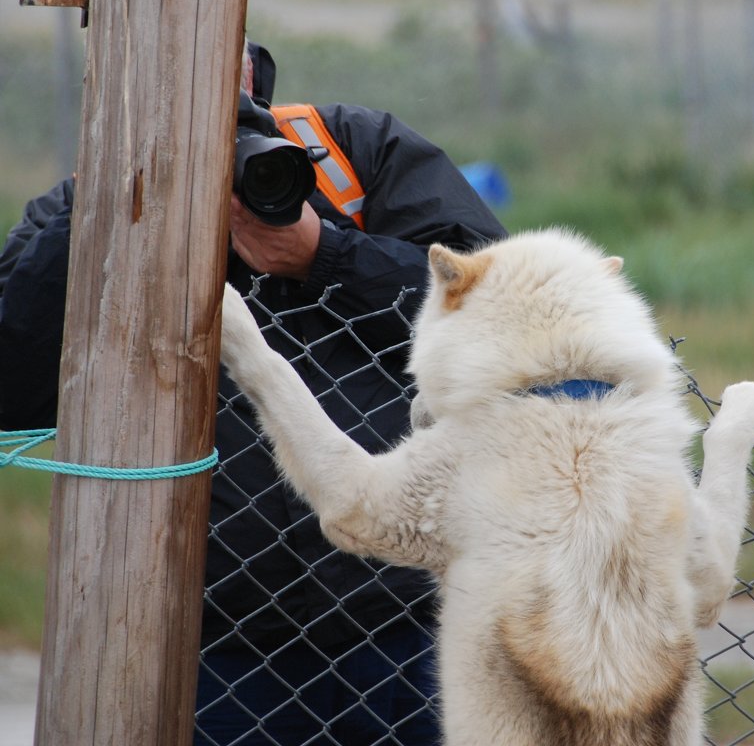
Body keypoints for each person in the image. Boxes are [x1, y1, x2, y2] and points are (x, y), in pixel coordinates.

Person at [0, 41, 507, 745]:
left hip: (410, 621)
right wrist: (103, 204)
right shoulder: (84, 204)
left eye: (218, 68)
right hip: (207, 647)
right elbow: (9, 391)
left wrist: (322, 255)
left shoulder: (354, 153)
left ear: (252, 73)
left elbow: (500, 319)